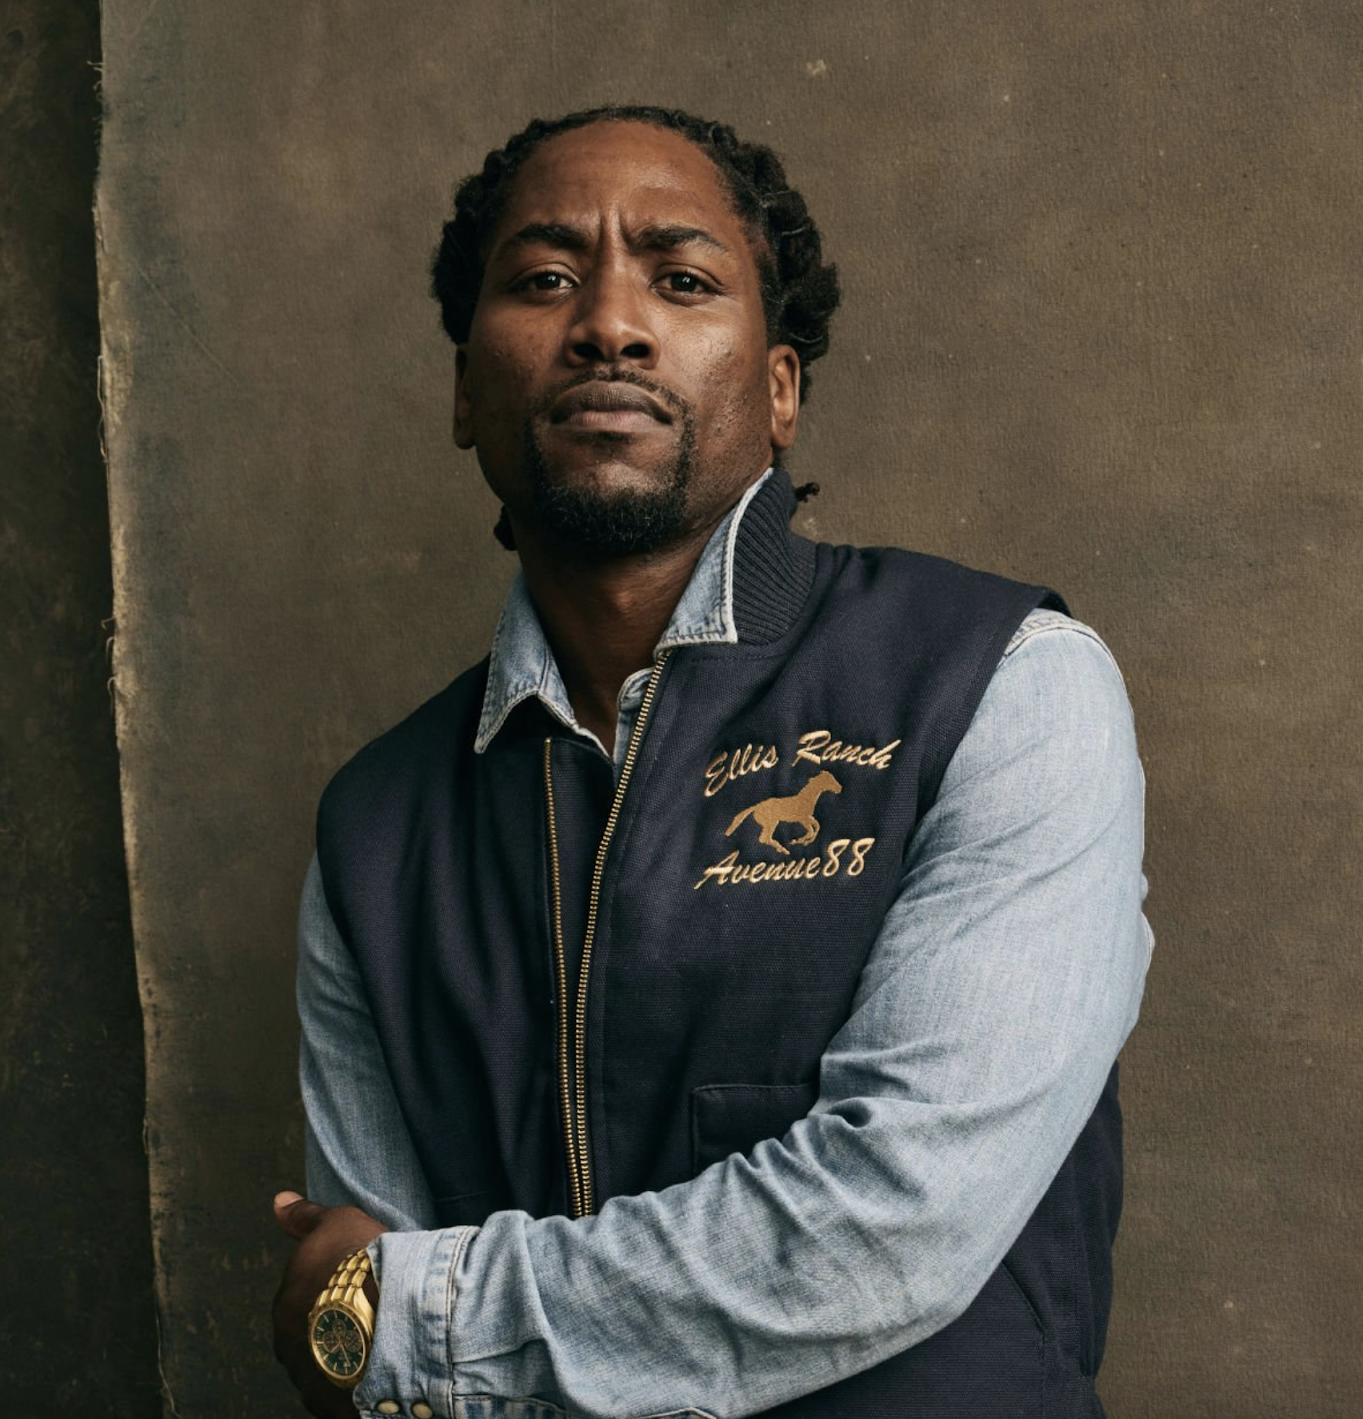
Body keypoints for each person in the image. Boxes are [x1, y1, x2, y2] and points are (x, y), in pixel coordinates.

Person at [271, 105, 1151, 1419]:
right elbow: (375, 1372)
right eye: (544, 279)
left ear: (780, 388)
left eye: (679, 280)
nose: (608, 325)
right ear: (464, 387)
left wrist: (411, 1315)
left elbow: (889, 1227)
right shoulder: (378, 831)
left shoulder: (1001, 681)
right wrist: (378, 1327)